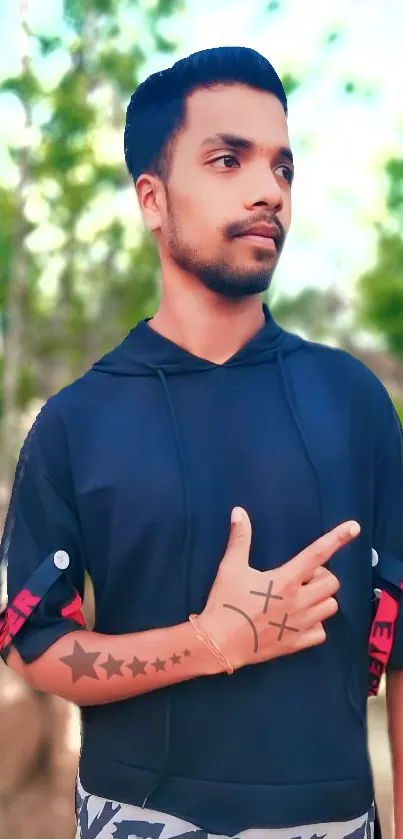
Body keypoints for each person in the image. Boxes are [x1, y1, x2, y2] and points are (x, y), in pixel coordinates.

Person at [1, 46, 402, 839]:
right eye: (228, 159)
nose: (268, 191)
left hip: (330, 819)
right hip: (135, 815)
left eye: (282, 168)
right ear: (152, 199)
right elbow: (28, 640)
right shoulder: (75, 423)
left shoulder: (352, 402)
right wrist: (210, 641)